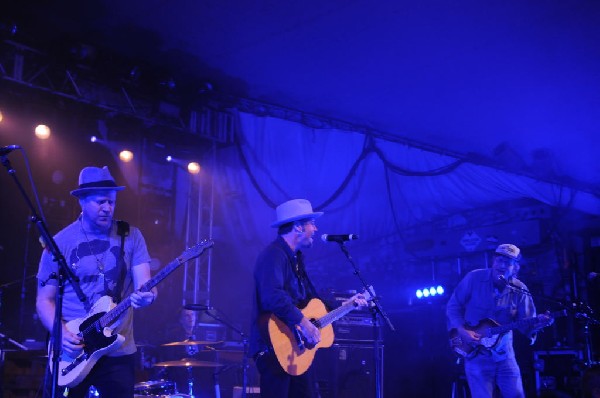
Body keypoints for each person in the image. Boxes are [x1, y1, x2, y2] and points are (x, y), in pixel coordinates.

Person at [36, 166, 157, 398]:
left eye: (111, 202)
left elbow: (147, 285)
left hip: (118, 350)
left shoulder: (131, 236)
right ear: (81, 200)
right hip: (74, 349)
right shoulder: (61, 242)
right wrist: (60, 334)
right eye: (101, 202)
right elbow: (44, 300)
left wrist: (148, 297)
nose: (107, 208)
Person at [249, 198, 367, 398]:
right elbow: (272, 296)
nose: (316, 228)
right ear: (297, 228)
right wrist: (304, 323)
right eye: (311, 223)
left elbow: (311, 300)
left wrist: (346, 305)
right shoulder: (273, 256)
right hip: (274, 348)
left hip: (297, 348)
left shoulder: (296, 259)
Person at [446, 243, 553, 398]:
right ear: (493, 261)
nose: (502, 265)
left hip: (505, 355)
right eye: (499, 260)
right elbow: (453, 306)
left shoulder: (520, 289)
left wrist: (539, 324)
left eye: (508, 263)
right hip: (476, 354)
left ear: (515, 267)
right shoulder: (474, 278)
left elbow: (527, 324)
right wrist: (462, 330)